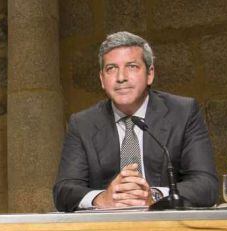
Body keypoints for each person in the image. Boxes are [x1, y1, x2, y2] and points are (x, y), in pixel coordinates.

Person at [53, 31, 218, 212]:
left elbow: (206, 186)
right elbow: (64, 191)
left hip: (169, 229)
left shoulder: (183, 113)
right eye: (111, 68)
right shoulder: (82, 123)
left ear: (150, 74)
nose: (121, 77)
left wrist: (154, 195)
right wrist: (102, 198)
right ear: (102, 79)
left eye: (132, 66)